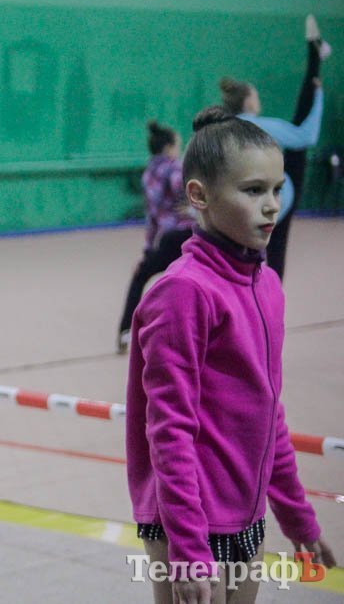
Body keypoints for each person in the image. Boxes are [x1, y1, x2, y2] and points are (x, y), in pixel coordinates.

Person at [125, 107, 336, 604]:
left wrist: (297, 518)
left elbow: (268, 413)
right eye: (253, 190)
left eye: (277, 189)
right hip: (187, 521)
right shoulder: (183, 293)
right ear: (199, 195)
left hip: (246, 513)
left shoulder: (266, 286)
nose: (272, 206)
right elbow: (169, 431)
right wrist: (188, 550)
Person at [218, 14, 331, 280]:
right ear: (248, 102)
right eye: (256, 95)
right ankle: (314, 64)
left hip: (236, 202)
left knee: (246, 255)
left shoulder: (222, 130)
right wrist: (319, 97)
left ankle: (315, 56)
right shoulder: (260, 125)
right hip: (274, 198)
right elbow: (306, 136)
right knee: (295, 153)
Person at [117, 120, 195, 353]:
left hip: (164, 239)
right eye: (178, 145)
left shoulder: (148, 173)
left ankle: (125, 332)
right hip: (185, 237)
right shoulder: (175, 169)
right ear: (169, 148)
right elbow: (190, 195)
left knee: (140, 276)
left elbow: (151, 218)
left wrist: (147, 251)